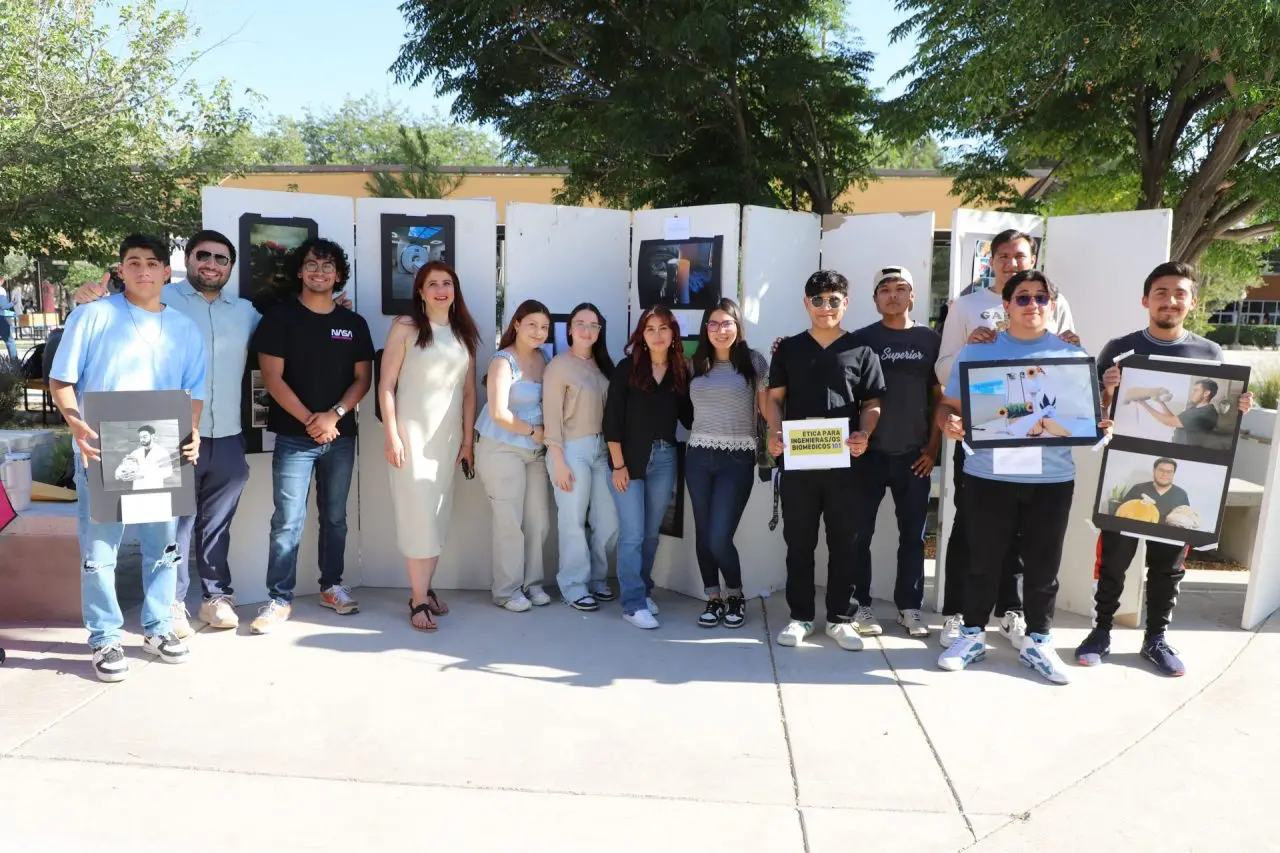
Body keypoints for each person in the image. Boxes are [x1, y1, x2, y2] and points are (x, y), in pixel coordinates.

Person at [75, 232, 262, 637]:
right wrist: (85, 297)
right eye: (203, 255)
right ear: (187, 261)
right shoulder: (160, 298)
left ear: (230, 266)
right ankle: (172, 605)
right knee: (172, 522)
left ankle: (215, 597)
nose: (212, 263)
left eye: (221, 258)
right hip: (165, 435)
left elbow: (286, 338)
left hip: (223, 431)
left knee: (216, 523)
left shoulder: (246, 312)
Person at [935, 270, 1112, 685]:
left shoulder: (1071, 355)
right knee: (983, 560)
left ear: (1051, 305)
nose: (1032, 305)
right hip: (987, 476)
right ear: (1007, 305)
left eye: (1040, 298)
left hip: (1051, 480)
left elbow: (1084, 420)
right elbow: (946, 407)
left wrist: (1101, 426)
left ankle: (1038, 640)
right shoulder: (977, 353)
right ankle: (973, 635)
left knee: (1043, 565)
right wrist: (950, 424)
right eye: (1023, 298)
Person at [1078, 261, 1253, 677]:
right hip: (1128, 463)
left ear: (1192, 302)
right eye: (1161, 292)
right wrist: (1107, 392)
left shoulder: (1209, 354)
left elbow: (1211, 426)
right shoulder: (1120, 349)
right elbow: (1094, 414)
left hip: (1183, 470)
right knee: (1114, 560)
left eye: (1179, 293)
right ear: (1146, 299)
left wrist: (1240, 411)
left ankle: (1156, 638)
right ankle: (1100, 632)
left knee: (1169, 563)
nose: (1170, 300)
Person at [48, 233, 205, 682]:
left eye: (152, 263)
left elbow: (193, 391)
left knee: (164, 550)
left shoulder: (183, 328)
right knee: (100, 553)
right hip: (101, 447)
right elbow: (62, 380)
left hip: (162, 447)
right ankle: (104, 637)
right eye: (133, 262)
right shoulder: (92, 316)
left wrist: (191, 432)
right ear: (120, 269)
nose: (142, 270)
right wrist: (76, 424)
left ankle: (157, 627)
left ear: (165, 273)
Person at [934, 229, 1079, 650]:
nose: (1031, 304)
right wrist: (954, 414)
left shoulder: (1065, 338)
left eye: (1021, 256)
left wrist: (1097, 405)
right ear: (991, 262)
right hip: (987, 458)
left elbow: (1074, 403)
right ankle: (965, 622)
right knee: (976, 539)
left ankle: (1025, 625)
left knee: (1036, 554)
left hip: (1046, 468)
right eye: (1004, 256)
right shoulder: (969, 317)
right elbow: (949, 389)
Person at [249, 238, 374, 634]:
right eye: (312, 265)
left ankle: (331, 586)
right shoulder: (279, 319)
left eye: (328, 266)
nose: (320, 272)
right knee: (287, 520)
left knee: (335, 518)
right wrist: (311, 420)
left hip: (341, 435)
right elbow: (272, 378)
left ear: (339, 275)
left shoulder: (353, 324)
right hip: (294, 437)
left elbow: (362, 379)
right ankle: (279, 598)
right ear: (300, 272)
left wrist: (334, 415)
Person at [766, 270, 886, 651]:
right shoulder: (788, 350)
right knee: (798, 542)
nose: (825, 307)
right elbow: (773, 399)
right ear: (806, 304)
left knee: (845, 544)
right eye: (817, 300)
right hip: (799, 466)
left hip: (846, 467)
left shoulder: (862, 351)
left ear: (845, 303)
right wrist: (774, 431)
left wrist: (864, 434)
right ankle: (800, 617)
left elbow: (872, 403)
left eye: (834, 300)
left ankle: (839, 618)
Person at [380, 261, 478, 631]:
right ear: (420, 291)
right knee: (417, 514)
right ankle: (418, 599)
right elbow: (386, 385)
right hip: (411, 437)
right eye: (432, 283)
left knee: (437, 514)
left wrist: (468, 441)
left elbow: (469, 394)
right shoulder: (405, 328)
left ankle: (426, 588)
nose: (441, 289)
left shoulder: (464, 333)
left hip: (448, 439)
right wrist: (392, 434)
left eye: (447, 283)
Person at [848, 267, 940, 639]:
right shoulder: (860, 339)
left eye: (901, 289)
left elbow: (940, 400)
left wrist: (933, 448)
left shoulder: (930, 340)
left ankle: (909, 607)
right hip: (867, 455)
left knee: (913, 536)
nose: (893, 295)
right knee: (858, 534)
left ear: (913, 296)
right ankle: (861, 605)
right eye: (884, 290)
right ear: (875, 299)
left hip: (914, 456)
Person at [604, 306, 693, 630]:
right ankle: (632, 603)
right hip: (628, 460)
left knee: (652, 535)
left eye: (663, 328)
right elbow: (611, 420)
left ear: (673, 335)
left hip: (665, 458)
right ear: (642, 334)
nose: (657, 335)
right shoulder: (627, 368)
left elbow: (690, 417)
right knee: (633, 535)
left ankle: (642, 590)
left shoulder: (680, 371)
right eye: (650, 328)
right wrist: (618, 465)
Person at [685, 298, 768, 629]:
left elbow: (766, 409)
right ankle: (713, 597)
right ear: (706, 329)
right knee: (704, 534)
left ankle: (735, 594)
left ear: (738, 327)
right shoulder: (695, 364)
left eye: (727, 323)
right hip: (698, 456)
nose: (721, 330)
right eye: (714, 324)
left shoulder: (754, 362)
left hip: (737, 457)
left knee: (720, 536)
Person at [474, 300, 554, 612]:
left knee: (539, 521)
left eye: (544, 327)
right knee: (509, 521)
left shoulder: (544, 359)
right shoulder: (502, 362)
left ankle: (532, 584)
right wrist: (534, 431)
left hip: (536, 453)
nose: (539, 332)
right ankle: (506, 590)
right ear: (517, 324)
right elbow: (497, 412)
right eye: (532, 324)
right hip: (502, 448)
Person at [543, 303, 618, 611]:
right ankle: (574, 586)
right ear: (570, 329)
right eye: (581, 324)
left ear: (600, 331)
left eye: (594, 325)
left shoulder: (604, 366)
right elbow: (551, 416)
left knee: (609, 518)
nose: (588, 330)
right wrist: (558, 460)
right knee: (572, 519)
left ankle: (598, 578)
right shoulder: (559, 365)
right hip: (570, 448)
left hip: (603, 451)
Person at [1131, 378, 1220, 445]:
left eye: (1196, 390)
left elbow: (1169, 422)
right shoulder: (1196, 409)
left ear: (1206, 393)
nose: (1192, 393)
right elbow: (1174, 419)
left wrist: (1143, 404)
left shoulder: (1205, 413)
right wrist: (1161, 403)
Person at [114, 425, 174, 490]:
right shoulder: (135, 453)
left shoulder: (162, 452)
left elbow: (168, 472)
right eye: (141, 437)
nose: (142, 439)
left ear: (152, 436)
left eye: (145, 437)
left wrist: (143, 476)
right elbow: (122, 468)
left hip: (155, 490)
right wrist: (120, 474)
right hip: (137, 489)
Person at [0, 277, 17, 361]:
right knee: (10, 342)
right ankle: (15, 363)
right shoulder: (1, 290)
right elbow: (3, 306)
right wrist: (12, 304)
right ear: (1, 280)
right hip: (1, 319)